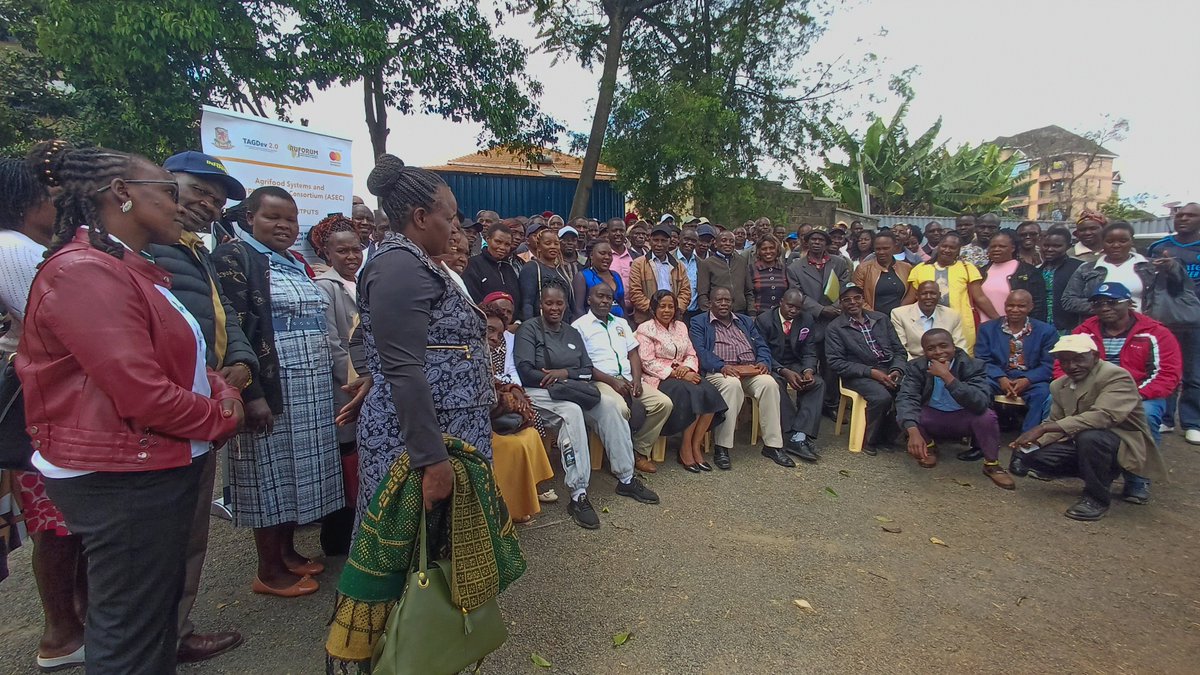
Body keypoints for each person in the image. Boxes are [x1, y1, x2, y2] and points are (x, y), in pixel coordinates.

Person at [18, 140, 243, 673]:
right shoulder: (85, 272)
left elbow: (182, 358)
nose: (178, 205)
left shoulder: (127, 267)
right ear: (122, 193)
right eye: (167, 192)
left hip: (150, 464)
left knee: (149, 618)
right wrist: (219, 416)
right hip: (122, 478)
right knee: (130, 633)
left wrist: (221, 389)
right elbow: (142, 391)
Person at [150, 150, 256, 663]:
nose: (208, 206)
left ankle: (174, 631)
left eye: (215, 201)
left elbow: (223, 313)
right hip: (162, 413)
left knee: (188, 532)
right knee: (156, 540)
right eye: (198, 193)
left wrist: (240, 361)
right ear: (162, 184)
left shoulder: (193, 250)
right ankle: (150, 641)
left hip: (202, 404)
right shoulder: (136, 250)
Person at [213, 186, 341, 598]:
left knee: (293, 473)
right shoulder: (234, 258)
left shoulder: (293, 261)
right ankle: (269, 570)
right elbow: (236, 329)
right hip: (272, 386)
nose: (284, 226)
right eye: (273, 217)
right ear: (250, 218)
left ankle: (287, 552)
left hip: (309, 386)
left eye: (291, 218)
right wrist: (253, 394)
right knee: (268, 474)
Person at [1, 155, 88, 672]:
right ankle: (61, 633)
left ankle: (79, 621)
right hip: (45, 412)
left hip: (48, 408)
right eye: (51, 195)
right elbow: (63, 327)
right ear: (28, 200)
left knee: (66, 523)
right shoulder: (15, 250)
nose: (58, 204)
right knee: (56, 524)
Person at [515, 280, 660, 529]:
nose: (554, 308)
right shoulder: (529, 330)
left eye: (559, 303)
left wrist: (563, 373)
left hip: (572, 388)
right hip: (539, 392)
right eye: (549, 303)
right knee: (572, 412)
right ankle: (578, 493)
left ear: (565, 305)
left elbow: (586, 370)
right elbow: (526, 372)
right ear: (541, 304)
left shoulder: (571, 332)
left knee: (609, 407)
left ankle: (626, 478)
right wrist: (563, 377)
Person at [1010, 335, 1165, 521]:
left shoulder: (1116, 376)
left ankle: (1096, 499)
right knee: (1032, 456)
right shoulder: (1060, 385)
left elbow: (1103, 416)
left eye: (1078, 359)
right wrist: (1029, 445)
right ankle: (1099, 473)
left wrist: (1044, 429)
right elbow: (1056, 421)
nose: (1071, 366)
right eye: (1065, 361)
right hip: (1084, 442)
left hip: (1122, 443)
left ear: (1095, 356)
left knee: (1091, 437)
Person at [1067, 282, 1180, 503]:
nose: (1104, 308)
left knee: (1147, 415)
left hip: (1140, 394)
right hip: (1092, 391)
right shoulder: (1084, 331)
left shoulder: (1155, 332)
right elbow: (1063, 363)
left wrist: (1133, 396)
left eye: (1112, 302)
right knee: (1051, 399)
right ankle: (1057, 463)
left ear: (1129, 303)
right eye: (1098, 303)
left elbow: (1167, 374)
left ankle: (1138, 479)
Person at [895, 329, 1015, 488]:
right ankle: (929, 447)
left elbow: (980, 402)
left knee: (987, 416)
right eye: (931, 348)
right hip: (932, 417)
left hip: (963, 418)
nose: (938, 352)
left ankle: (992, 465)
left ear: (954, 346)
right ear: (924, 351)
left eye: (943, 346)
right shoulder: (916, 366)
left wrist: (947, 377)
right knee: (908, 413)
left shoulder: (973, 365)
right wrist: (912, 432)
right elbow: (907, 398)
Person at [573, 284, 673, 474]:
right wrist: (613, 382)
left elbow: (633, 353)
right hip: (600, 381)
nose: (605, 301)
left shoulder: (621, 323)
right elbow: (583, 364)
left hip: (628, 378)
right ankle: (619, 457)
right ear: (589, 299)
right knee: (620, 409)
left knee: (663, 404)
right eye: (600, 296)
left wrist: (637, 379)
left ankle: (638, 450)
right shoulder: (579, 326)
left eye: (609, 298)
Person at [688, 286, 789, 469]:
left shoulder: (744, 321)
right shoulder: (699, 322)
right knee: (732, 385)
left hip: (749, 370)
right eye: (719, 300)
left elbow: (762, 345)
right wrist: (722, 366)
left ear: (732, 303)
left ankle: (773, 446)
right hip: (719, 372)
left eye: (727, 300)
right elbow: (700, 351)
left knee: (769, 384)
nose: (723, 304)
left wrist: (763, 362)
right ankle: (722, 447)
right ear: (710, 303)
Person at [312, 218, 363, 556]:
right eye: (342, 251)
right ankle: (337, 539)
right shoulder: (326, 288)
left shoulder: (360, 282)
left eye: (356, 249)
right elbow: (332, 343)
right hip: (344, 387)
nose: (351, 256)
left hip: (365, 382)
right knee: (344, 456)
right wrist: (355, 382)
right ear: (327, 253)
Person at [635, 290, 725, 472]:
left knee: (709, 392)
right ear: (654, 308)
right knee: (693, 393)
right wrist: (678, 373)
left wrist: (687, 368)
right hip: (659, 378)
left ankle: (695, 446)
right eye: (662, 306)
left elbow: (691, 353)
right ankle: (685, 448)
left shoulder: (681, 327)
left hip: (685, 372)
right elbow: (647, 362)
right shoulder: (645, 329)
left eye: (671, 306)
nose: (667, 310)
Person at [483, 306, 554, 523]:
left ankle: (529, 492)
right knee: (515, 444)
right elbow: (488, 400)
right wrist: (511, 401)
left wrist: (515, 390)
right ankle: (509, 506)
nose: (494, 338)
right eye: (489, 330)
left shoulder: (485, 354)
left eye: (499, 334)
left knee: (531, 427)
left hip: (496, 417)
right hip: (478, 426)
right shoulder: (466, 355)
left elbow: (497, 382)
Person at [825, 285, 907, 455]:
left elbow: (899, 351)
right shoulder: (835, 328)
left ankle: (889, 436)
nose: (853, 302)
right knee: (881, 397)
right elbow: (836, 362)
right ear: (841, 304)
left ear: (863, 299)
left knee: (911, 391)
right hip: (858, 374)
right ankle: (869, 439)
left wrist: (896, 369)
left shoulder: (881, 319)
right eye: (847, 300)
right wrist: (871, 372)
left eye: (857, 298)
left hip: (888, 368)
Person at [1146, 202, 1200, 443]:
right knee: (1165, 368)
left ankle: (1192, 422)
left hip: (1196, 320)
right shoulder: (1160, 246)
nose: (1183, 219)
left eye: (1191, 215)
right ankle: (1165, 418)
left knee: (1194, 373)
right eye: (1180, 215)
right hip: (1166, 318)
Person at [754, 289, 824, 462]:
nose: (793, 311)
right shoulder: (764, 320)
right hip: (772, 364)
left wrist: (808, 370)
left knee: (817, 383)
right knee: (775, 385)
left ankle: (800, 434)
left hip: (796, 363)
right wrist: (783, 371)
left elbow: (810, 350)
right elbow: (761, 352)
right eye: (790, 306)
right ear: (781, 302)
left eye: (797, 308)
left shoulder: (806, 319)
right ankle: (792, 434)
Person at [975, 290, 1058, 434]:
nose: (1015, 310)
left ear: (1030, 307)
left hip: (1031, 378)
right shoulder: (987, 329)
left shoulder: (1046, 331)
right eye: (1010, 305)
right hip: (996, 377)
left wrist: (1027, 380)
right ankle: (985, 436)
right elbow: (982, 359)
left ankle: (1027, 438)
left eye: (1021, 306)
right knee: (980, 389)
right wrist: (1001, 378)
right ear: (1005, 305)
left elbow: (1048, 364)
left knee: (1043, 393)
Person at [786, 227, 850, 413]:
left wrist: (836, 307)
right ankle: (806, 405)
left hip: (835, 320)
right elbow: (797, 294)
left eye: (821, 240)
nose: (817, 242)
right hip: (809, 320)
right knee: (808, 364)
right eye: (813, 239)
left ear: (827, 243)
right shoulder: (795, 267)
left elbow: (846, 287)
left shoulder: (839, 263)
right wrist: (821, 310)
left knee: (831, 365)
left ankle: (831, 405)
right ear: (806, 242)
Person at [904, 232, 1000, 354]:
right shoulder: (920, 269)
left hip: (960, 324)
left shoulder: (967, 268)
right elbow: (910, 298)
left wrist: (999, 320)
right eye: (944, 246)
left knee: (961, 357)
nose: (947, 250)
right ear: (939, 246)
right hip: (926, 323)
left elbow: (979, 297)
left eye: (952, 248)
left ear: (958, 250)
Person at [1061, 220, 1156, 315]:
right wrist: (1102, 306)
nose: (1116, 245)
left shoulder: (1151, 266)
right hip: (1098, 323)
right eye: (1110, 241)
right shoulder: (1086, 269)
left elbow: (1160, 301)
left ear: (1132, 241)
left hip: (1142, 323)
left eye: (1123, 241)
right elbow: (1068, 300)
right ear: (1102, 242)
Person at [626, 224, 692, 324]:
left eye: (663, 241)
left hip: (673, 319)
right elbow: (635, 293)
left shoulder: (679, 266)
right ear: (650, 240)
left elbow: (685, 292)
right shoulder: (638, 264)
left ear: (669, 242)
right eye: (656, 240)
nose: (659, 244)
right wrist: (655, 309)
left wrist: (673, 309)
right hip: (646, 319)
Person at [978, 230, 1048, 322]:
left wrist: (1032, 328)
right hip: (982, 327)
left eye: (1002, 246)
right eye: (993, 246)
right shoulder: (980, 272)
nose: (996, 249)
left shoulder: (1029, 272)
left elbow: (1038, 304)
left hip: (1016, 327)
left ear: (1013, 248)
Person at [891, 281, 967, 360]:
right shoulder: (899, 314)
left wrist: (946, 364)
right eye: (924, 293)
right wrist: (916, 365)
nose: (928, 297)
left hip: (946, 361)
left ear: (939, 295)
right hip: (913, 362)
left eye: (933, 293)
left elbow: (959, 347)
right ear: (917, 295)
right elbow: (901, 349)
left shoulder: (952, 315)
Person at [519, 226, 574, 321]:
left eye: (556, 243)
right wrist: (530, 326)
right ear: (539, 247)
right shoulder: (532, 267)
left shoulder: (561, 270)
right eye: (548, 243)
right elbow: (527, 302)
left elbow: (569, 303)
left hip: (563, 324)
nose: (553, 246)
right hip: (540, 324)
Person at [851, 231, 911, 316]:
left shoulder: (906, 268)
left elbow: (911, 295)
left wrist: (901, 314)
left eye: (886, 248)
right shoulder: (863, 268)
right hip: (872, 318)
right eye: (878, 249)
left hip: (901, 317)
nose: (881, 252)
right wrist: (875, 316)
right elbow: (857, 296)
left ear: (894, 247)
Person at [1037, 226, 1085, 333]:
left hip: (1070, 327)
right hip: (1041, 328)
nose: (1049, 249)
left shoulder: (1079, 268)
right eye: (1046, 245)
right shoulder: (1038, 270)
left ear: (1068, 246)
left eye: (1057, 246)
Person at [463, 222, 522, 305]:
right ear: (488, 239)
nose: (502, 247)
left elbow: (517, 301)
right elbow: (472, 299)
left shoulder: (509, 268)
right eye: (498, 242)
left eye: (507, 244)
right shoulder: (472, 265)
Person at [697, 230, 751, 314]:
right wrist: (708, 313)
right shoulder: (707, 263)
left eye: (731, 241)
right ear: (715, 244)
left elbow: (749, 290)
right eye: (724, 240)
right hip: (717, 313)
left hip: (740, 312)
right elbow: (702, 293)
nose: (728, 244)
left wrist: (751, 312)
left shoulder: (742, 261)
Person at [572, 240, 626, 319]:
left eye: (610, 254)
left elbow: (623, 305)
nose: (607, 257)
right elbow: (578, 309)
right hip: (593, 323)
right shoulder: (583, 276)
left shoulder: (616, 276)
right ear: (591, 255)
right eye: (602, 253)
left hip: (618, 323)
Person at [745, 234, 789, 316]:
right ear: (758, 251)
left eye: (772, 248)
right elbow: (749, 294)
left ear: (777, 249)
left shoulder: (785, 269)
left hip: (780, 316)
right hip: (758, 316)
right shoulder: (751, 269)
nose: (768, 251)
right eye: (764, 249)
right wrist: (752, 314)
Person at [675, 226, 702, 315]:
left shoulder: (700, 263)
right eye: (686, 239)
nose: (689, 243)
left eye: (693, 241)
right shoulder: (669, 259)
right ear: (679, 239)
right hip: (674, 311)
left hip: (695, 311)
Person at [606, 218, 635, 284]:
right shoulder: (602, 257)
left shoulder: (635, 257)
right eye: (614, 230)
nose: (618, 233)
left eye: (621, 230)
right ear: (608, 232)